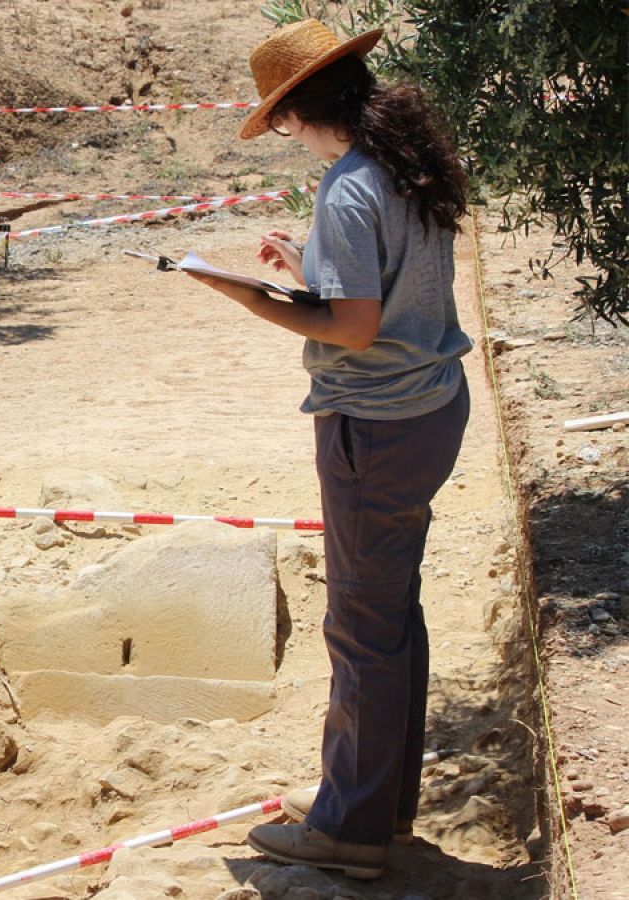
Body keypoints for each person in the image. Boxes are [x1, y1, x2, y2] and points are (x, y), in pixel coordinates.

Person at [188, 19, 472, 880]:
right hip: (429, 409)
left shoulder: (349, 187)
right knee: (392, 613)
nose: (284, 136)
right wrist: (312, 269)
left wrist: (240, 292)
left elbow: (352, 329)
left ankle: (349, 827)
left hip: (375, 428)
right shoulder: (405, 162)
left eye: (280, 121)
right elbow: (389, 293)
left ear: (298, 110)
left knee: (360, 625)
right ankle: (379, 800)